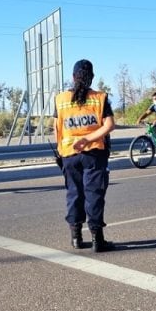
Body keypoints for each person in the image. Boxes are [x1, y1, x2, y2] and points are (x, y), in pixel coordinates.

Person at [54, 59, 116, 252]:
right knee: (94, 195)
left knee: (74, 194)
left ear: (73, 77)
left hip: (69, 154)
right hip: (94, 154)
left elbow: (57, 129)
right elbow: (109, 126)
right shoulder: (100, 98)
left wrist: (61, 151)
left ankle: (76, 238)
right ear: (92, 78)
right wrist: (88, 139)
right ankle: (98, 240)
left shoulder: (61, 99)